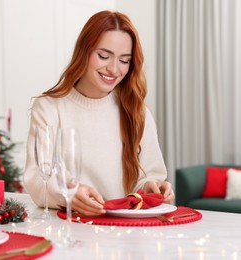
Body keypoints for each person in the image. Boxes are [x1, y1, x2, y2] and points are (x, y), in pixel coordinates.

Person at [23, 10, 175, 217]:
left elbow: (149, 175)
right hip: (70, 229)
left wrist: (151, 186)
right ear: (84, 52)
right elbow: (38, 179)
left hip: (125, 233)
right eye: (104, 56)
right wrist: (70, 193)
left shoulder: (137, 112)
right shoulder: (49, 108)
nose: (113, 69)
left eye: (124, 60)